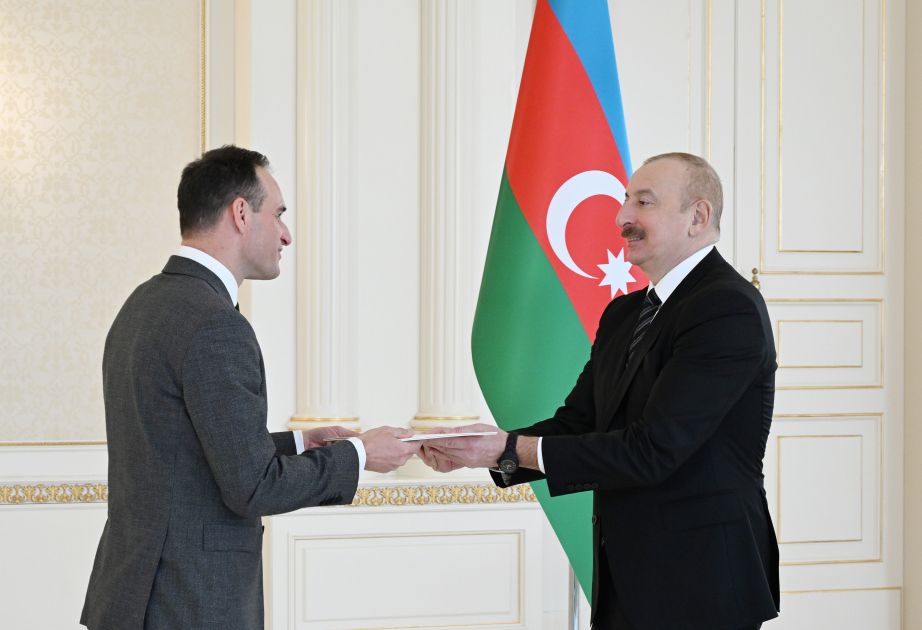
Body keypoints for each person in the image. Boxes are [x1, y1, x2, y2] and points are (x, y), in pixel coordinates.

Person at [422, 153, 780, 630]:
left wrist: (509, 448)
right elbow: (579, 422)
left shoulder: (726, 308)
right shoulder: (624, 314)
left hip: (702, 584)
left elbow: (653, 450)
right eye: (626, 201)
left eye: (643, 202)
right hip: (626, 581)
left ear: (698, 216)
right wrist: (482, 449)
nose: (622, 217)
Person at [80, 145, 419, 630]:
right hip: (189, 602)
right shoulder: (215, 323)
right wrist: (361, 454)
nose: (286, 234)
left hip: (131, 594)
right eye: (278, 213)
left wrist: (299, 443)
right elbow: (254, 486)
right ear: (241, 213)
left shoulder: (143, 303)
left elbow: (183, 452)